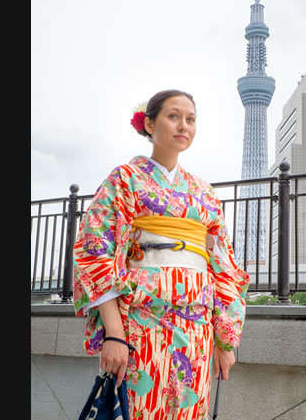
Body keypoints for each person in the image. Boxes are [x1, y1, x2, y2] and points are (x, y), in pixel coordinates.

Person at [73, 89, 250, 420]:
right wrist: (114, 333)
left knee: (189, 410)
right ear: (150, 125)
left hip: (197, 325)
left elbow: (223, 265)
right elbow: (95, 252)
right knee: (138, 409)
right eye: (173, 116)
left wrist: (226, 341)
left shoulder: (204, 192)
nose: (183, 125)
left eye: (190, 119)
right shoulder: (124, 180)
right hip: (140, 320)